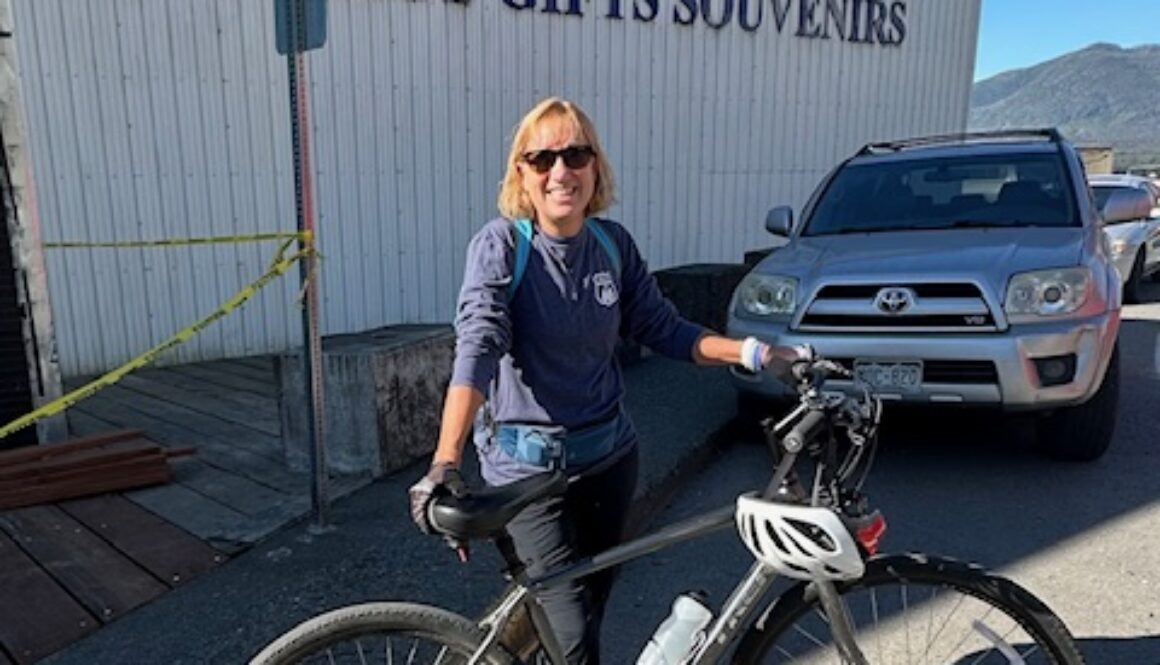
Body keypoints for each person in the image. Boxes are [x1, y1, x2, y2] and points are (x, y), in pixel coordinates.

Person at [409, 96, 807, 664]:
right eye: (541, 159)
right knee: (574, 642)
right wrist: (444, 461)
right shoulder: (502, 246)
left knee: (586, 613)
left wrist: (757, 351)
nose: (560, 172)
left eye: (575, 154)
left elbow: (664, 328)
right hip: (529, 478)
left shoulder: (611, 246)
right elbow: (477, 347)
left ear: (596, 166)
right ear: (520, 171)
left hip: (609, 462)